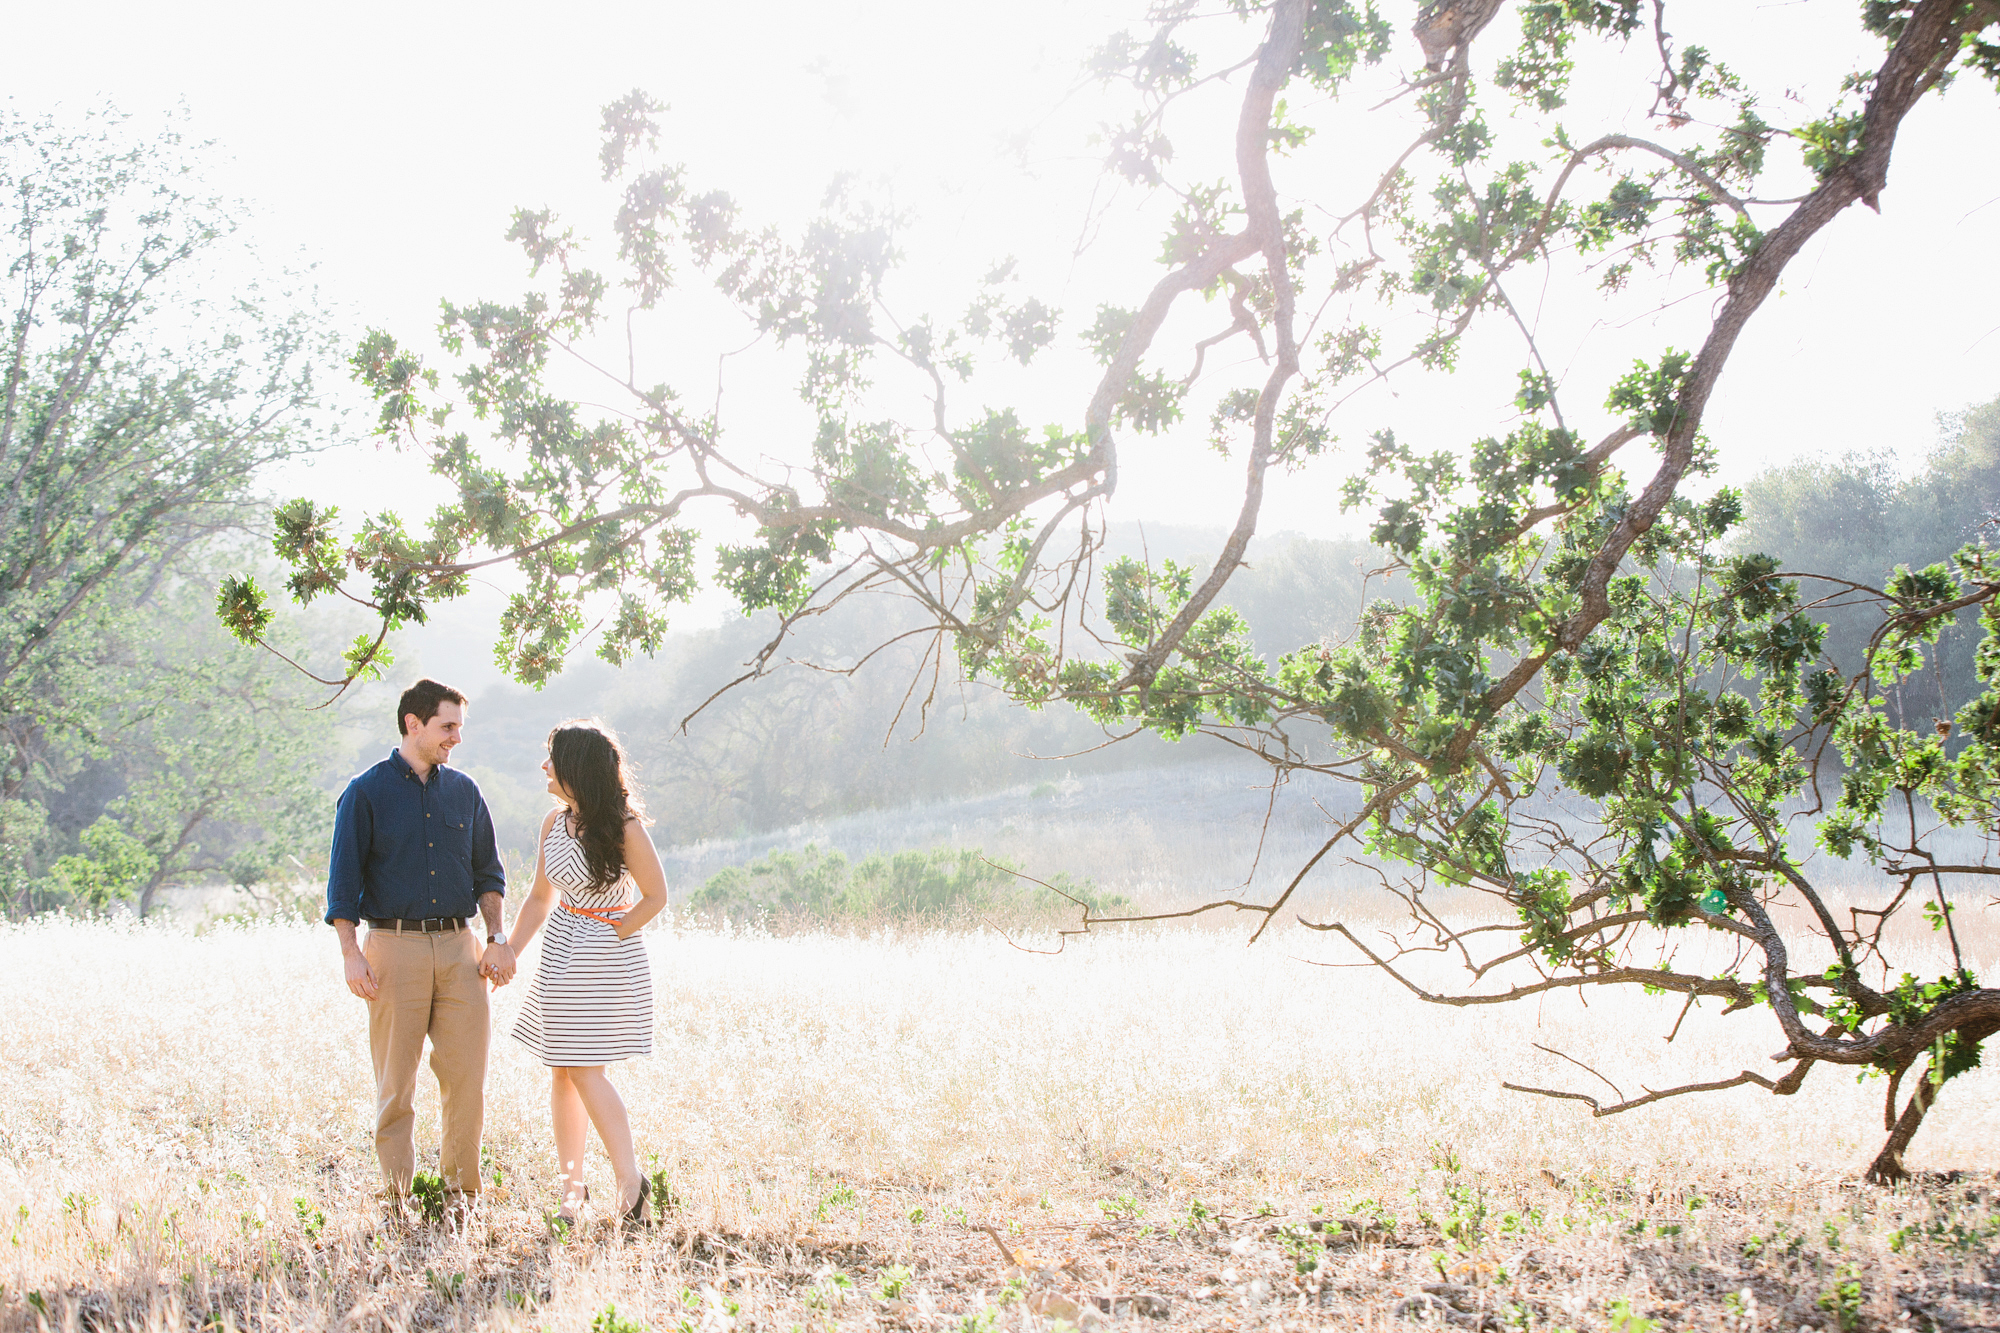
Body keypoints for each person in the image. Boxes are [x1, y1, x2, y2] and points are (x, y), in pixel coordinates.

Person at [325, 678, 514, 1208]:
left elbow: (489, 875)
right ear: (414, 723)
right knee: (395, 1084)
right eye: (447, 726)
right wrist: (351, 953)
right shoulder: (364, 792)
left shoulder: (465, 792)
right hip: (393, 947)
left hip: (461, 950)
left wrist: (497, 938)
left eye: (459, 726)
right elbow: (342, 884)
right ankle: (396, 1198)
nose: (456, 737)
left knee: (466, 1080)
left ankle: (461, 1196)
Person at [505, 719, 668, 1224]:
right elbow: (538, 897)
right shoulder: (554, 823)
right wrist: (510, 950)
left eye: (552, 757)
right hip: (559, 949)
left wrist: (612, 931)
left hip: (602, 953)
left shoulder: (622, 825)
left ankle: (631, 1181)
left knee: (584, 1069)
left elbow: (656, 896)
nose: (544, 765)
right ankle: (571, 1190)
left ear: (576, 767)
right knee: (562, 1069)